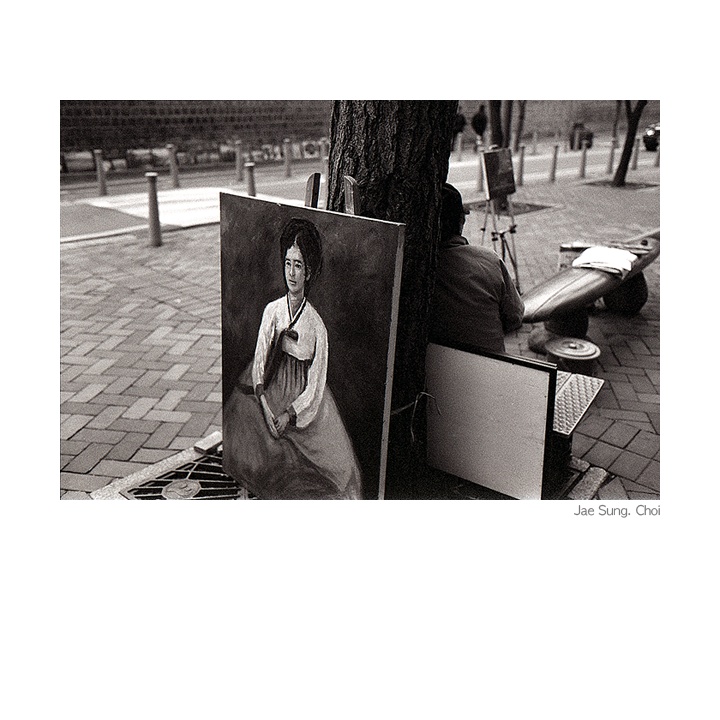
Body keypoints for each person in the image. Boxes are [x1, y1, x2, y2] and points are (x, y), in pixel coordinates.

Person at [223, 217, 363, 499]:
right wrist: (266, 409)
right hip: (269, 390)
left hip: (301, 403)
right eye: (287, 263)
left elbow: (315, 386)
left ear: (308, 271)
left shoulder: (317, 326)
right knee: (243, 427)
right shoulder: (273, 311)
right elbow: (259, 364)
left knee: (338, 476)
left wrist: (288, 415)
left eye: (298, 265)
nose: (291, 273)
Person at [429, 183, 525, 354]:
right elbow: (515, 317)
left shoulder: (413, 265)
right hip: (490, 363)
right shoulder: (489, 260)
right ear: (462, 221)